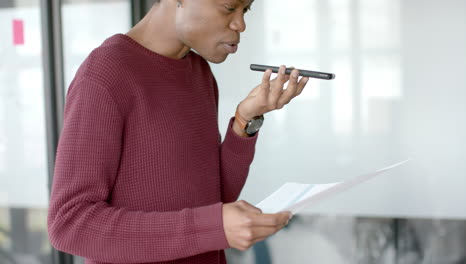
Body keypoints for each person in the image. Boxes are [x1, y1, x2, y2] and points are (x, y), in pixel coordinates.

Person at [47, 0, 310, 263]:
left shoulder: (199, 72)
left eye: (245, 10)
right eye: (229, 8)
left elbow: (214, 202)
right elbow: (69, 224)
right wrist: (211, 227)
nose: (240, 24)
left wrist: (245, 119)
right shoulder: (106, 73)